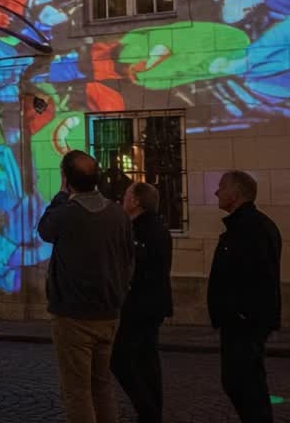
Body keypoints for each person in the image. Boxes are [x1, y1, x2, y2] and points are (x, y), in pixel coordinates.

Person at [37, 150, 134, 423]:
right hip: (109, 311)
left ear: (66, 179)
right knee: (102, 384)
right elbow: (129, 260)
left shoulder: (66, 213)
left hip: (72, 314)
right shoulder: (118, 214)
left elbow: (44, 229)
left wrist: (59, 195)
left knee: (77, 390)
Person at [208, 170, 282, 423]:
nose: (216, 192)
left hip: (243, 321)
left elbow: (258, 275)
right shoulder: (248, 225)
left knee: (243, 383)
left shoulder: (251, 228)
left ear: (236, 193)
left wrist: (240, 312)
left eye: (221, 187)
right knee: (240, 382)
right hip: (239, 319)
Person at [110, 181, 173, 423]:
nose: (122, 200)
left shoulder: (141, 229)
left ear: (136, 201)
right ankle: (151, 412)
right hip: (152, 303)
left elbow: (136, 268)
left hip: (140, 303)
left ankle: (148, 411)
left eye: (126, 195)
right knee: (147, 359)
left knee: (121, 358)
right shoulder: (155, 226)